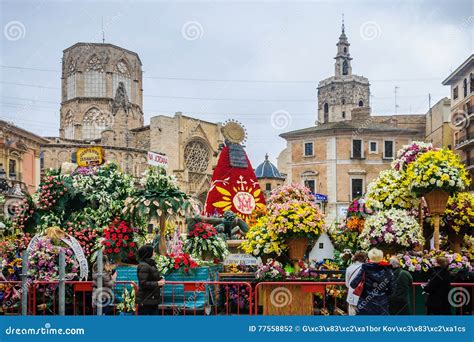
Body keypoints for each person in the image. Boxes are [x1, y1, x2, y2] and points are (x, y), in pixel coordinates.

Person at [350, 248, 395, 315]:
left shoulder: (364, 269)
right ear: (381, 257)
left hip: (365, 304)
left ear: (370, 257)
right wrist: (383, 294)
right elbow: (392, 289)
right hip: (382, 305)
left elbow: (353, 284)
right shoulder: (388, 270)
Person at [136, 245, 165, 315]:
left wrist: (160, 280)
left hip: (152, 299)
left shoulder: (150, 264)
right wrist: (157, 283)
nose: (154, 253)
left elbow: (152, 278)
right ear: (148, 253)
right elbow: (143, 283)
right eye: (153, 251)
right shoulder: (144, 266)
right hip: (146, 300)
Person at [345, 251, 368, 315]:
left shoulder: (349, 268)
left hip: (352, 294)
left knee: (352, 314)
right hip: (364, 295)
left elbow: (347, 284)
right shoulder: (366, 268)